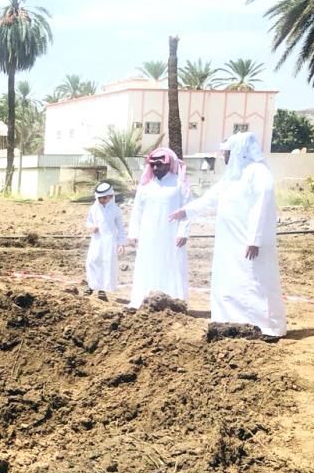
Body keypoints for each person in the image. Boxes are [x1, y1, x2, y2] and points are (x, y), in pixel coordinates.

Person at [170, 132, 286, 338]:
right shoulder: (233, 176)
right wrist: (186, 211)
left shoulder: (259, 172)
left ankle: (265, 327)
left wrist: (254, 239)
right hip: (229, 242)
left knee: (254, 282)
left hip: (249, 242)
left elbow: (261, 207)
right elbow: (210, 198)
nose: (223, 156)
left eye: (226, 153)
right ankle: (230, 323)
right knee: (230, 281)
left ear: (238, 152)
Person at [127, 147, 192, 308]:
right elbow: (137, 211)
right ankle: (143, 301)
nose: (156, 168)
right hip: (148, 234)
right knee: (148, 264)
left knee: (172, 266)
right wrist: (133, 233)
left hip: (172, 235)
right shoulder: (146, 186)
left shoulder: (179, 183)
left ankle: (174, 303)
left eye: (159, 165)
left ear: (169, 165)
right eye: (153, 165)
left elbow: (188, 210)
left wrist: (183, 232)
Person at [85, 182, 127, 299]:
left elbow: (120, 228)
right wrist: (91, 227)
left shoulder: (116, 210)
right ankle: (91, 285)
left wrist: (121, 244)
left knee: (106, 264)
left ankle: (102, 290)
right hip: (96, 240)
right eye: (100, 198)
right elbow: (88, 221)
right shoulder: (93, 208)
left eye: (104, 198)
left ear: (110, 197)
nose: (102, 200)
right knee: (92, 262)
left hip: (110, 242)